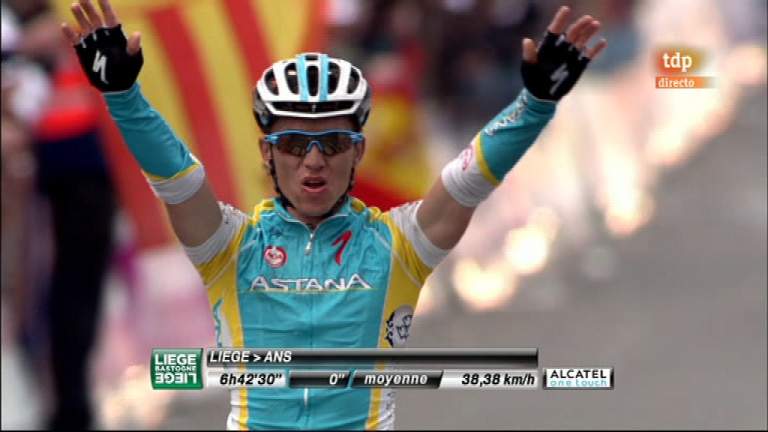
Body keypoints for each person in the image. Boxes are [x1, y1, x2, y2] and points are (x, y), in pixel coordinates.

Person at [61, 0, 606, 429]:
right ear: (266, 154)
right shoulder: (231, 246)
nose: (314, 161)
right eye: (295, 144)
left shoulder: (398, 246)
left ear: (358, 153)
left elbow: (468, 180)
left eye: (335, 143)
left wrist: (534, 105)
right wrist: (123, 96)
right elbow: (177, 178)